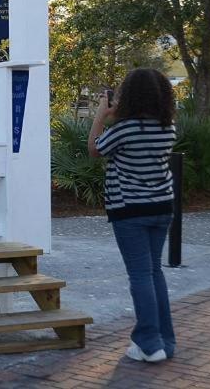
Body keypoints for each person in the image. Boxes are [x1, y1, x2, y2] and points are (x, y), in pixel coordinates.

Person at [88, 68, 177, 363]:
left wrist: (101, 114)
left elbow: (94, 149)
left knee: (140, 275)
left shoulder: (124, 130)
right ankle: (164, 341)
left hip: (130, 210)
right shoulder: (168, 128)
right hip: (162, 206)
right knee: (155, 272)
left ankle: (149, 344)